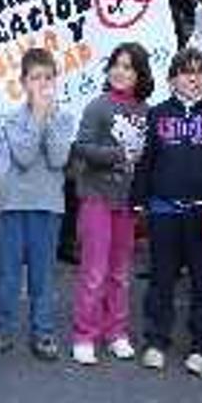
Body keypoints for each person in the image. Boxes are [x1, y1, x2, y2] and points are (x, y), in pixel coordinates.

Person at [134, 48, 202, 376]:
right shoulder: (157, 114)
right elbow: (146, 160)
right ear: (172, 79)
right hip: (164, 210)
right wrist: (139, 200)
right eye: (186, 71)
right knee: (161, 279)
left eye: (201, 72)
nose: (194, 78)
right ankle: (156, 340)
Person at [0, 48, 74, 362]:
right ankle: (2, 326)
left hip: (48, 206)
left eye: (48, 77)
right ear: (23, 82)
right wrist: (37, 118)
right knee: (7, 273)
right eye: (35, 78)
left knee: (43, 275)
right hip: (13, 205)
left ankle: (42, 332)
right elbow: (24, 155)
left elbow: (59, 158)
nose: (42, 84)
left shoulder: (65, 116)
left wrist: (48, 118)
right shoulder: (14, 118)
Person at [68, 43, 150, 365]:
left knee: (119, 272)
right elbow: (82, 147)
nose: (121, 71)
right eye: (116, 64)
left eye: (129, 67)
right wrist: (119, 155)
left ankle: (116, 332)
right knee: (94, 271)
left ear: (140, 74)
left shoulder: (145, 111)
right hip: (96, 198)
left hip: (127, 202)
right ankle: (84, 334)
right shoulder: (97, 106)